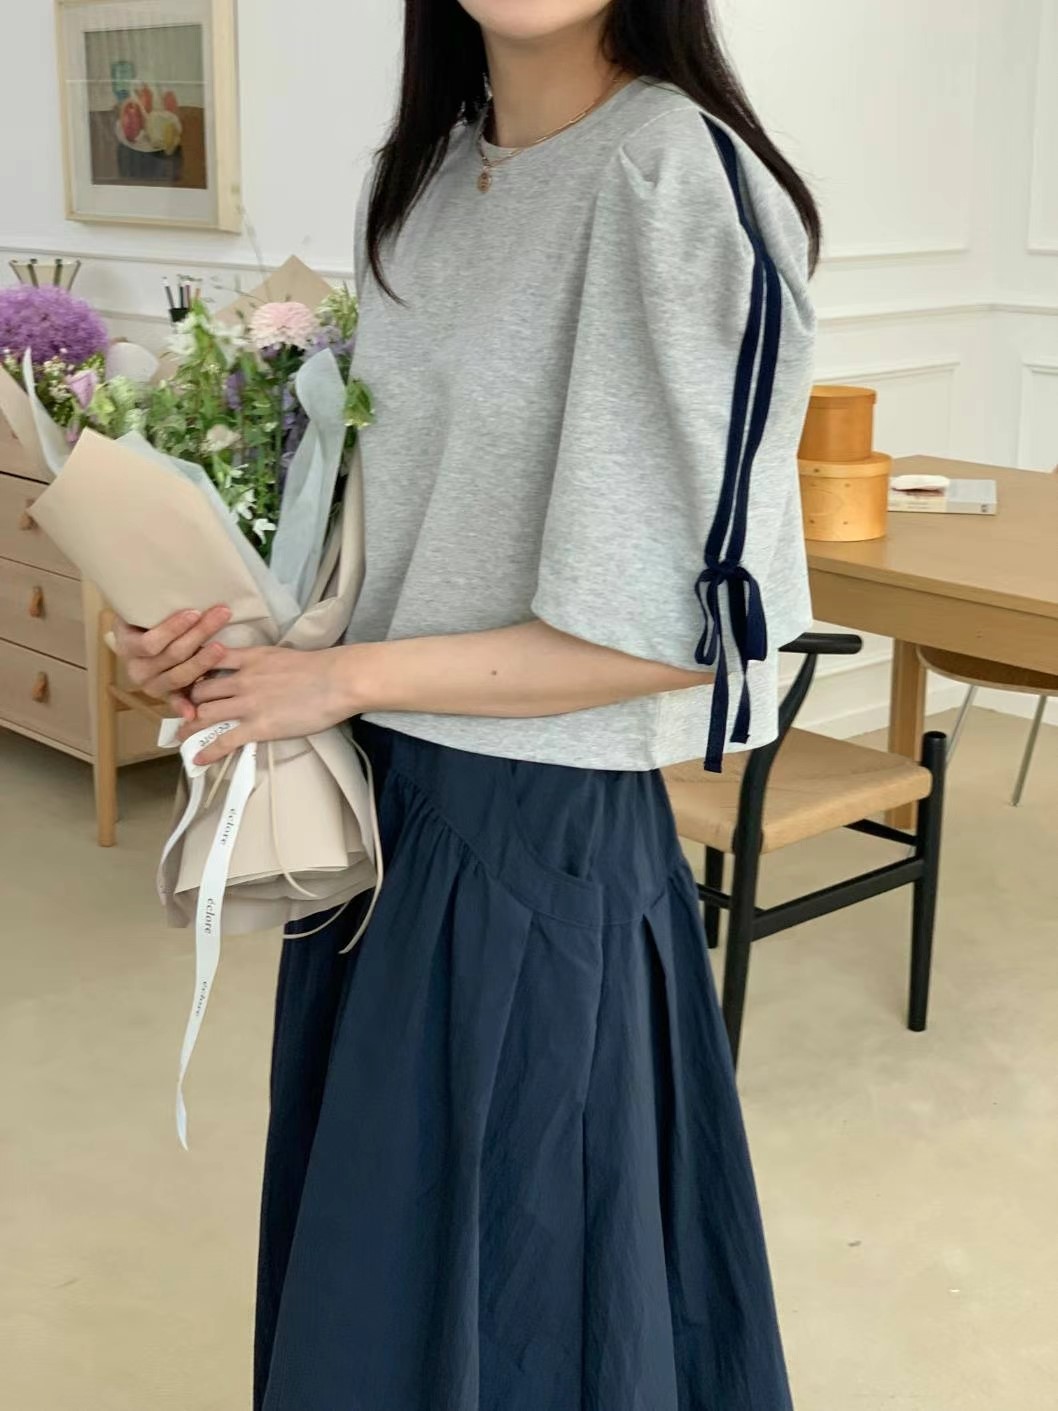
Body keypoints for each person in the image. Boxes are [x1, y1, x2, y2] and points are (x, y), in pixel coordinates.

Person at [116, 0, 820, 1405]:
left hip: (537, 840)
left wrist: (344, 676)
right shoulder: (428, 174)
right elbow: (382, 535)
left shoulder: (678, 177)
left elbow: (694, 637)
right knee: (378, 1282)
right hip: (378, 811)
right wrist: (222, 634)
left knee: (523, 1307)